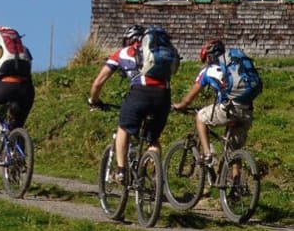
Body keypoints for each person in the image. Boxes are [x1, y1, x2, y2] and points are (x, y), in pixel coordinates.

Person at [87, 24, 173, 182]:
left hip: (139, 93)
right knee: (153, 139)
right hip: (163, 95)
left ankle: (120, 170)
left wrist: (93, 100)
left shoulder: (122, 53)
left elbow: (98, 82)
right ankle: (155, 176)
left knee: (123, 128)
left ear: (130, 39)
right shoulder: (159, 52)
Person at [173, 39, 255, 168]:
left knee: (200, 117)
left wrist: (180, 105)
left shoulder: (208, 70)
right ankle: (236, 183)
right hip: (247, 110)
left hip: (230, 109)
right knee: (233, 151)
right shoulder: (235, 68)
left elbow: (189, 99)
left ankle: (207, 154)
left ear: (207, 57)